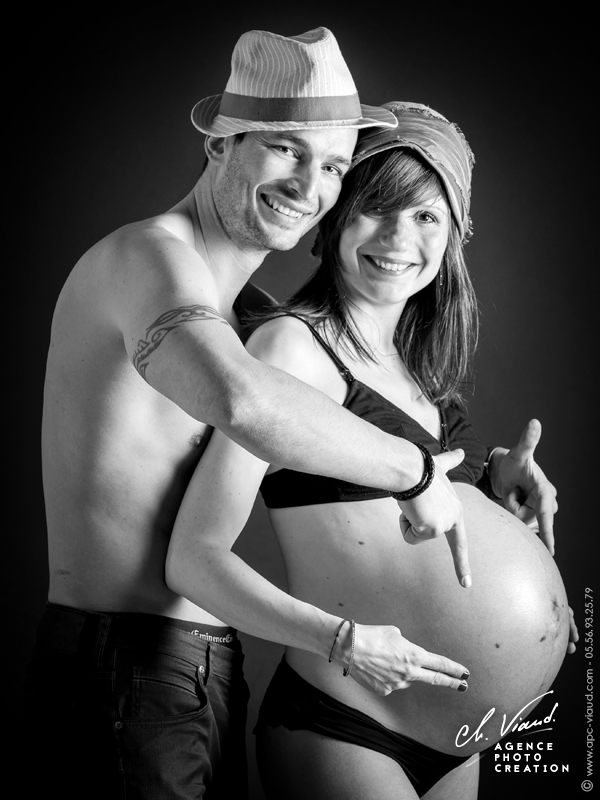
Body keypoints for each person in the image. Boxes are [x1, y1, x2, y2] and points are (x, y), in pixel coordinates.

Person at [23, 28, 495, 800]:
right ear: (220, 144)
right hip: (121, 667)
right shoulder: (149, 258)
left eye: (335, 164)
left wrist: (482, 493)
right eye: (285, 147)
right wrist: (413, 473)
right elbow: (242, 403)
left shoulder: (236, 308)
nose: (311, 183)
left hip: (201, 666)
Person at [167, 101, 573, 799]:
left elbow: (414, 525)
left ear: (454, 235)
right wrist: (343, 640)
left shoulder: (421, 371)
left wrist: (490, 495)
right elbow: (193, 558)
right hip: (349, 721)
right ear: (335, 218)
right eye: (375, 208)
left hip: (456, 742)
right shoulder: (292, 347)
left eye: (425, 217)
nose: (397, 236)